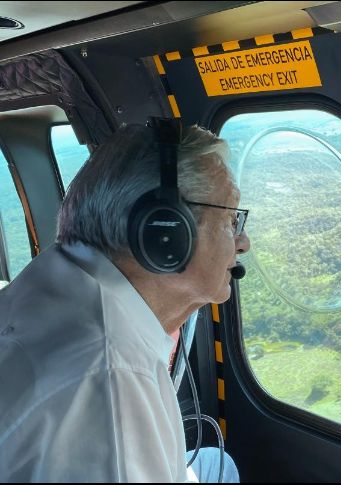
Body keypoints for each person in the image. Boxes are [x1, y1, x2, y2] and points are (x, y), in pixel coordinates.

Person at [0, 122, 249, 482]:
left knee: (216, 463)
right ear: (165, 233)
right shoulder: (111, 382)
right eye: (231, 220)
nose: (243, 243)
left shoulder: (58, 276)